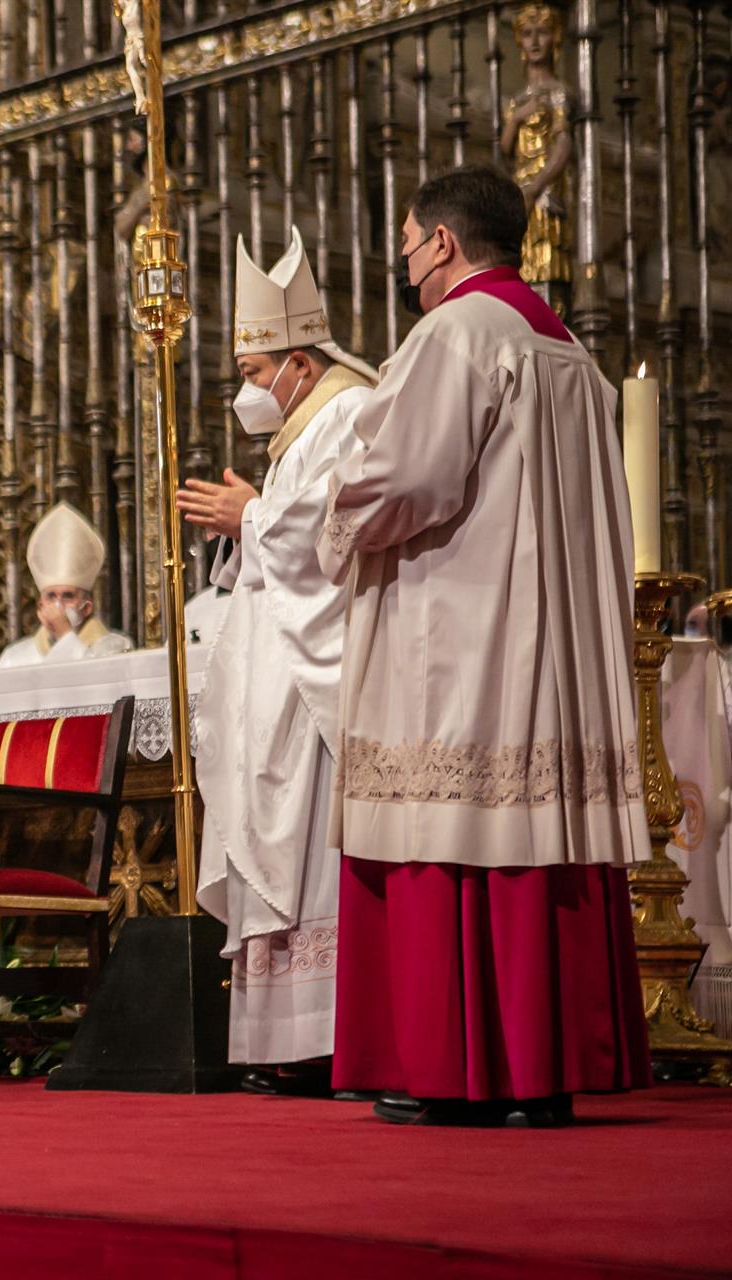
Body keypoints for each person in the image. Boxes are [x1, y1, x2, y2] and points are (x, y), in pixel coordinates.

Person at [318, 166, 650, 1126]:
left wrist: (333, 502)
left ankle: (457, 1072)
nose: (407, 266)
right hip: (547, 646)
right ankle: (533, 1079)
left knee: (451, 828)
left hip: (463, 633)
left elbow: (405, 481)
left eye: (411, 246)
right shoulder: (567, 349)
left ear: (446, 244)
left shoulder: (456, 334)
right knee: (527, 836)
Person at [179, 226, 379, 1092]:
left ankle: (324, 1039)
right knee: (276, 843)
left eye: (256, 375)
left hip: (311, 677)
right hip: (278, 666)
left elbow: (333, 535)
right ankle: (283, 1041)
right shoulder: (301, 422)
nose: (247, 392)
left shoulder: (345, 410)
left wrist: (250, 515)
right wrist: (252, 519)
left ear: (298, 359)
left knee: (308, 850)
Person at [0, 503, 135, 668]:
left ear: (86, 608)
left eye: (68, 596)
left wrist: (64, 633)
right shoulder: (15, 658)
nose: (58, 605)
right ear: (40, 606)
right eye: (51, 596)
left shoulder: (114, 647)